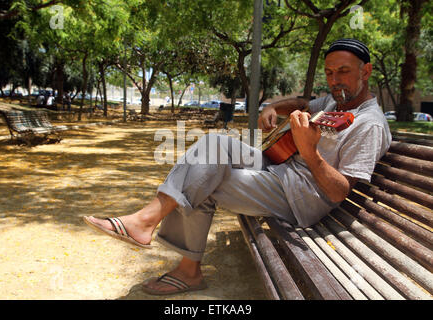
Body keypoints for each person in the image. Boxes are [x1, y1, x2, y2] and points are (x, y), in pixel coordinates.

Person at [83, 39, 392, 295]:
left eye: (343, 72)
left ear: (366, 71)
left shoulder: (370, 125)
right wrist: (272, 106)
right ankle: (148, 225)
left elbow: (339, 192)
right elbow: (301, 103)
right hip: (282, 170)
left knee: (205, 178)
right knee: (212, 145)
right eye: (329, 73)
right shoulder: (333, 103)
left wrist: (310, 152)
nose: (335, 80)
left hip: (304, 196)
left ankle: (175, 256)